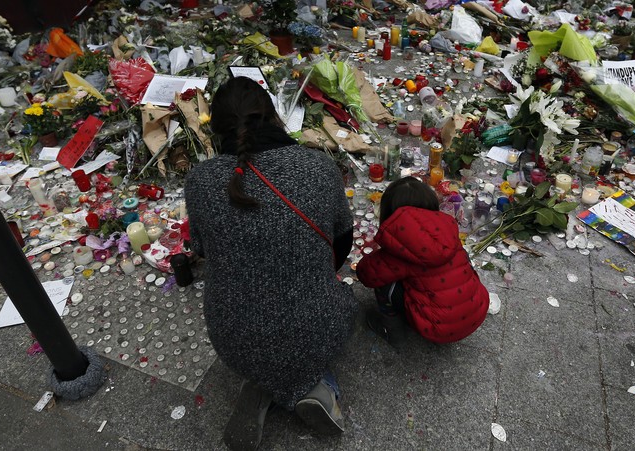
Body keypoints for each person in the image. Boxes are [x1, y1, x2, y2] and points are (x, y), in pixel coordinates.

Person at [184, 77, 357, 450]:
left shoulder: (199, 180)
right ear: (275, 116)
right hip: (313, 330)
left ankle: (262, 385)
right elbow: (342, 244)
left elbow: (200, 248)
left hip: (231, 338)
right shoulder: (318, 168)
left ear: (214, 129)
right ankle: (313, 388)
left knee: (266, 336)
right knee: (344, 303)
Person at [356, 176, 489, 347]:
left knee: (382, 281)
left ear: (389, 214)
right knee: (459, 259)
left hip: (437, 327)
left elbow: (366, 275)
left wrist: (381, 254)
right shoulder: (448, 227)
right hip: (477, 310)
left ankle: (393, 332)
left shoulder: (400, 248)